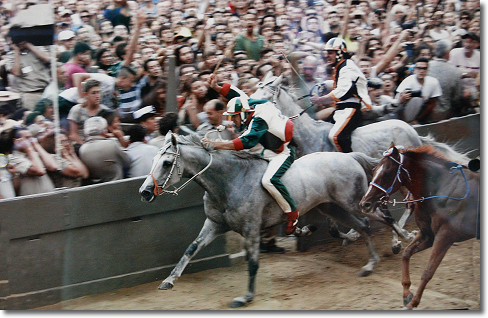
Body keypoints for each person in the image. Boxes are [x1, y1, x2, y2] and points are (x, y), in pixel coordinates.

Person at [203, 74, 300, 236]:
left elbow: (246, 142)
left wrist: (216, 144)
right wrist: (217, 87)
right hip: (268, 149)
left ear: (242, 114)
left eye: (234, 116)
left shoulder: (259, 119)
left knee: (269, 181)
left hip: (283, 151)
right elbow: (236, 94)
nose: (232, 120)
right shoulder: (249, 105)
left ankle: (292, 214)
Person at [310, 38, 371, 153]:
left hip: (351, 110)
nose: (327, 56)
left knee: (336, 136)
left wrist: (320, 99)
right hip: (341, 110)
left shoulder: (347, 66)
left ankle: (351, 161)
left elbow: (342, 90)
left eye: (331, 53)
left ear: (340, 53)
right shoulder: (340, 67)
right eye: (326, 53)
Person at [78, 116, 130, 184]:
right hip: (116, 185)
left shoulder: (82, 149)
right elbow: (127, 161)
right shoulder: (112, 143)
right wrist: (121, 138)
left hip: (96, 188)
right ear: (104, 131)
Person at [395, 57, 442, 125]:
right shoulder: (408, 82)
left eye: (424, 68)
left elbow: (432, 103)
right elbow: (398, 104)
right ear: (415, 69)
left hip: (420, 117)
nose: (421, 71)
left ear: (427, 70)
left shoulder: (433, 82)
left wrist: (418, 120)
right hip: (404, 117)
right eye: (419, 68)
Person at [5, 41, 51, 110]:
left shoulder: (37, 48)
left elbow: (48, 59)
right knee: (35, 117)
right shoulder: (11, 56)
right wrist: (16, 51)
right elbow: (16, 72)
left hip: (47, 90)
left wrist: (29, 46)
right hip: (30, 93)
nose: (20, 42)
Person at [427, 39, 463, 122]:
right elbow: (456, 97)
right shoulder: (455, 71)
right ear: (447, 53)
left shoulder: (426, 67)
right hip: (444, 114)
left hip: (426, 113)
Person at [67, 79, 111, 145]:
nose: (97, 96)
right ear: (86, 94)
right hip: (81, 145)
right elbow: (73, 135)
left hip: (100, 144)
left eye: (98, 92)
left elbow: (110, 131)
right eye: (93, 93)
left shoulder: (105, 110)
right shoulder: (77, 110)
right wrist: (85, 146)